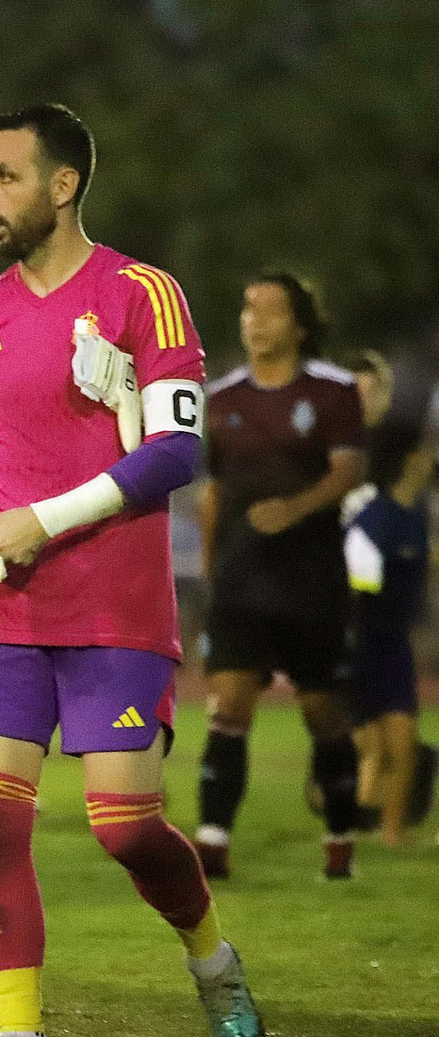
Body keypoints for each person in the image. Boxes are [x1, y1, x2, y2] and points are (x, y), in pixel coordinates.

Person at [0, 104, 260, 1037]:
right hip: (4, 607)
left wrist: (44, 521)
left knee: (126, 828)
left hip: (115, 603)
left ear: (63, 186)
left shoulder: (143, 292)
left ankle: (211, 957)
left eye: (4, 176)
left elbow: (176, 449)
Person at [194, 272, 367, 881]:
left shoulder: (334, 391)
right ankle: (212, 843)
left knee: (323, 711)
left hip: (311, 581)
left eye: (269, 312)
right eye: (247, 309)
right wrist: (212, 571)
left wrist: (292, 510)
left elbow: (348, 470)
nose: (254, 322)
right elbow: (212, 495)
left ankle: (340, 840)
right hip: (242, 582)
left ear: (298, 325)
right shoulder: (222, 398)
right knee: (230, 703)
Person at [343, 421, 435, 845]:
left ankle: (391, 834)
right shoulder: (372, 520)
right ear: (403, 462)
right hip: (362, 645)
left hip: (394, 646)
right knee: (373, 748)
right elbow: (357, 591)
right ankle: (355, 825)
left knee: (404, 747)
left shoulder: (416, 514)